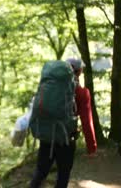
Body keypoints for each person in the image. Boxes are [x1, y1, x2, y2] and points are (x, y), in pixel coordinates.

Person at [30, 58, 97, 188]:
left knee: (41, 172)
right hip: (66, 138)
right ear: (79, 72)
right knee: (63, 174)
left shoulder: (49, 84)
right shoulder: (82, 92)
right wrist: (91, 146)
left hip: (47, 134)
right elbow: (86, 120)